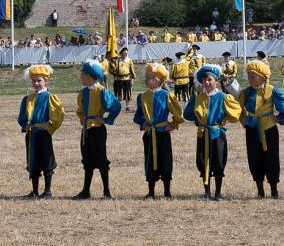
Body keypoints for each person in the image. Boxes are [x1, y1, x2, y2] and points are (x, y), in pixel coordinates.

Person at [183, 64, 242, 200]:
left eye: (210, 79)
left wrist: (224, 117)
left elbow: (235, 114)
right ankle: (207, 191)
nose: (207, 82)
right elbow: (187, 115)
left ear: (216, 81)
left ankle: (218, 192)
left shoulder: (223, 97)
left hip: (217, 134)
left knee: (219, 162)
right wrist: (194, 99)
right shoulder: (199, 98)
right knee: (202, 161)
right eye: (204, 80)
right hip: (203, 134)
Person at [239, 58, 284, 198]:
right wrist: (244, 120)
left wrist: (278, 118)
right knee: (254, 158)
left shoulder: (271, 90)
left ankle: (274, 189)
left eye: (253, 76)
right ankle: (260, 190)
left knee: (271, 158)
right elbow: (237, 109)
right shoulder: (246, 92)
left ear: (262, 77)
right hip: (252, 128)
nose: (249, 78)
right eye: (249, 75)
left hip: (269, 129)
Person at [133, 61, 184, 198]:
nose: (145, 80)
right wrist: (143, 123)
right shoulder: (142, 97)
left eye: (148, 78)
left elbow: (178, 114)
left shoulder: (166, 95)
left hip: (162, 134)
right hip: (149, 134)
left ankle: (167, 191)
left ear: (157, 80)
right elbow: (137, 116)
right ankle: (151, 191)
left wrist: (173, 125)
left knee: (165, 160)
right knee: (149, 160)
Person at [74, 60, 122, 199]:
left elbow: (115, 106)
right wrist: (82, 117)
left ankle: (106, 191)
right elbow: (80, 109)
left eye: (83, 74)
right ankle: (85, 191)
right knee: (87, 159)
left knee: (101, 159)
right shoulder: (83, 92)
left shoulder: (101, 91)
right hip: (86, 130)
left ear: (90, 76)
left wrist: (106, 119)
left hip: (97, 129)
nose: (81, 76)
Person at [18, 63, 65, 198]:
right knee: (33, 160)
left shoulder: (50, 97)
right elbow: (22, 117)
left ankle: (47, 191)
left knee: (46, 160)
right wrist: (25, 125)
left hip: (44, 134)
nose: (36, 83)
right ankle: (34, 191)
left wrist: (50, 125)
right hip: (32, 135)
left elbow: (58, 114)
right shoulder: (28, 98)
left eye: (39, 80)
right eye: (34, 81)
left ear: (46, 81)